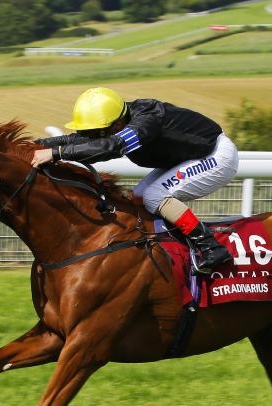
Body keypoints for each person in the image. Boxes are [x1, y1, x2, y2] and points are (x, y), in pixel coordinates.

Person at [32, 87, 238, 274]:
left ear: (117, 125)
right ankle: (172, 250)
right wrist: (36, 145)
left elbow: (112, 146)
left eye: (95, 133)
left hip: (215, 155)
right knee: (138, 197)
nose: (91, 137)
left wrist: (57, 153)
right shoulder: (118, 121)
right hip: (190, 157)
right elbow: (75, 140)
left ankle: (211, 248)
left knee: (154, 196)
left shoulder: (145, 123)